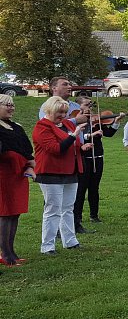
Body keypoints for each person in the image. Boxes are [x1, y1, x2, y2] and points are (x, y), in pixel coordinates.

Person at [34, 96, 90, 254]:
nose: (63, 116)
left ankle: (70, 241)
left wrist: (82, 146)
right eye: (59, 112)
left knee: (68, 208)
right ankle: (47, 245)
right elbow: (55, 149)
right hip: (50, 173)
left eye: (65, 112)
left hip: (70, 171)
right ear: (49, 110)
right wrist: (74, 135)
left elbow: (75, 144)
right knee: (53, 209)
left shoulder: (67, 124)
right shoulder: (42, 127)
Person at [73, 97, 122, 232]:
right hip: (84, 157)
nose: (90, 108)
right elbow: (77, 136)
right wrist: (91, 135)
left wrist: (116, 121)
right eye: (86, 105)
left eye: (90, 105)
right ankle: (77, 217)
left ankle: (94, 215)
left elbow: (109, 133)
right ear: (78, 106)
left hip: (98, 155)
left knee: (94, 187)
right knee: (81, 188)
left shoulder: (97, 120)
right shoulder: (76, 120)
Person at [0, 94, 34, 266]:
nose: (11, 108)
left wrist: (30, 163)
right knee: (5, 213)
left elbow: (27, 148)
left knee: (15, 213)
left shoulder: (17, 127)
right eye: (7, 105)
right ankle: (5, 254)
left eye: (12, 105)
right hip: (4, 175)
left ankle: (11, 251)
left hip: (18, 175)